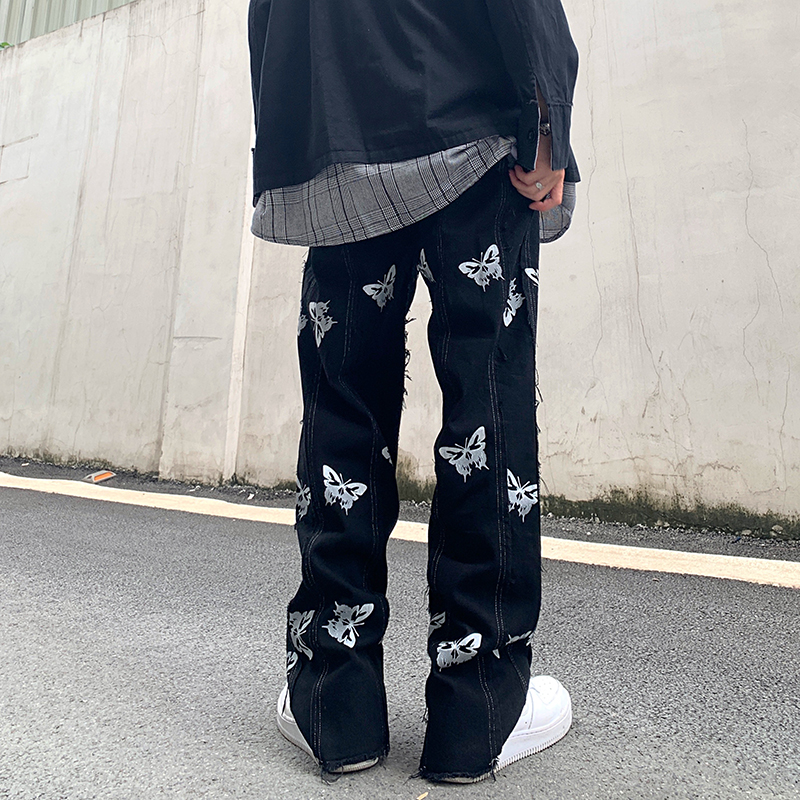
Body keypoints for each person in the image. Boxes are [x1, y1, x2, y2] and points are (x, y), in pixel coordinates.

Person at [248, 0, 580, 784]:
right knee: (486, 403)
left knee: (342, 410)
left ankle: (335, 704)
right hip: (466, 110)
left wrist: (288, 127)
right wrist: (546, 113)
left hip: (331, 127)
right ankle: (478, 707)